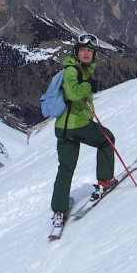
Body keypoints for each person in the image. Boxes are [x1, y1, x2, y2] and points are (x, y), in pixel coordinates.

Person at [50, 33, 116, 227]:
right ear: (76, 52)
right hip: (77, 125)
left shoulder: (79, 69)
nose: (86, 54)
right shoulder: (72, 70)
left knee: (66, 166)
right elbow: (73, 92)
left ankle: (59, 208)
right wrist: (88, 86)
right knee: (107, 139)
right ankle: (104, 181)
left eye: (89, 51)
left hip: (63, 128)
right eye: (83, 50)